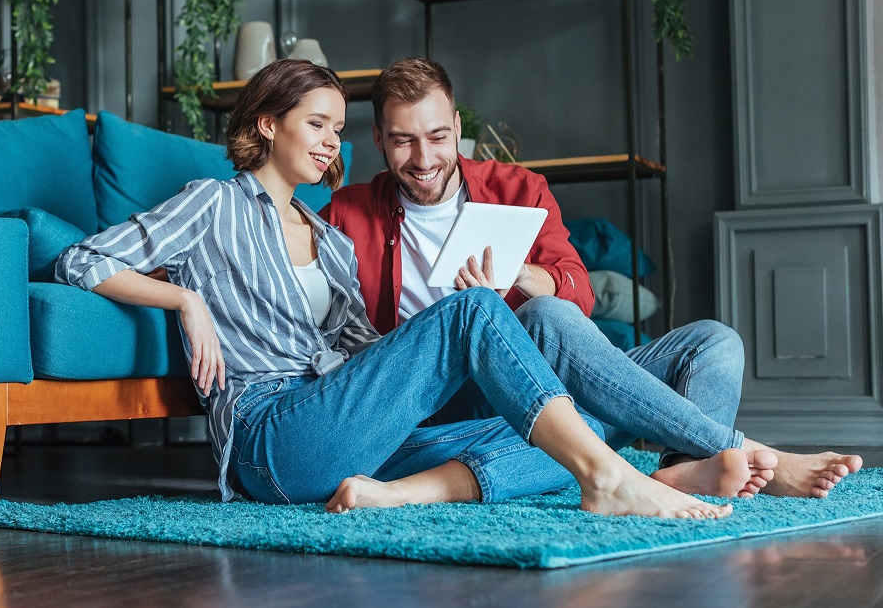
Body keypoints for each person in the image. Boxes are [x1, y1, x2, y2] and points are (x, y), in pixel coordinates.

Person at [56, 58, 732, 519]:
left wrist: (445, 354)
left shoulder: (326, 237)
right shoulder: (212, 204)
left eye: (336, 129)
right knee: (473, 313)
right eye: (316, 125)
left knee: (565, 420)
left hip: (343, 422)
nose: (331, 144)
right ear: (267, 123)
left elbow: (361, 350)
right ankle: (616, 476)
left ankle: (408, 493)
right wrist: (184, 299)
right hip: (272, 435)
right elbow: (80, 261)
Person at [320, 57, 862, 500]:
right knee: (560, 352)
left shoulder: (519, 187)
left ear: (459, 127)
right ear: (378, 139)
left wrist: (525, 276)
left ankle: (681, 469)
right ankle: (738, 447)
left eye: (437, 137)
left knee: (713, 343)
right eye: (403, 141)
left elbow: (577, 289)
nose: (423, 159)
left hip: (539, 385)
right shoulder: (346, 213)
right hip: (441, 404)